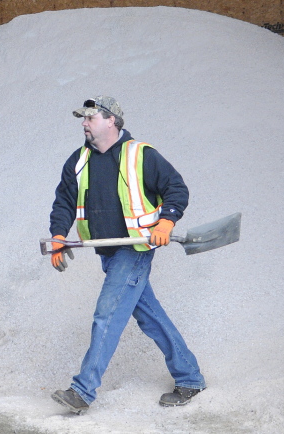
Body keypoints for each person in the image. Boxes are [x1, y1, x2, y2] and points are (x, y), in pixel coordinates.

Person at [47, 96, 206, 415]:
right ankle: (190, 377)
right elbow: (64, 200)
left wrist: (166, 221)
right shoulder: (78, 161)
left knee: (107, 314)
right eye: (83, 118)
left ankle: (82, 390)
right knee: (149, 315)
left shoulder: (141, 155)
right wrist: (58, 236)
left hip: (134, 250)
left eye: (90, 118)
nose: (84, 123)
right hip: (107, 251)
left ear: (111, 121)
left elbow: (176, 188)